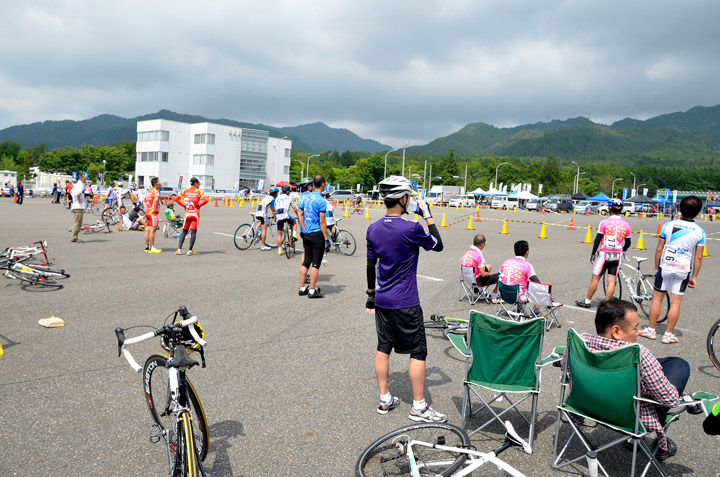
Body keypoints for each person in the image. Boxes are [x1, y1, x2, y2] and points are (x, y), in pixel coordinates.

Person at [365, 175, 446, 422]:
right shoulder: (412, 228)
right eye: (408, 197)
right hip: (406, 301)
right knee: (418, 351)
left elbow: (370, 267)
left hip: (382, 300)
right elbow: (437, 244)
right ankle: (418, 406)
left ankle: (384, 398)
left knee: (383, 347)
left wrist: (371, 296)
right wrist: (427, 215)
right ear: (402, 199)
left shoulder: (373, 228)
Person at [570, 298, 688, 460]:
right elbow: (671, 400)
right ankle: (647, 443)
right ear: (616, 331)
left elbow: (568, 374)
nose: (638, 332)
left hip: (588, 406)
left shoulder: (579, 342)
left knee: (664, 362)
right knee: (680, 365)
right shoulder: (641, 354)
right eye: (635, 328)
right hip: (631, 419)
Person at [639, 195, 705, 344]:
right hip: (683, 269)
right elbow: (698, 257)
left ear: (680, 208)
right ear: (698, 211)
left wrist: (656, 267)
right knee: (676, 303)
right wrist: (694, 276)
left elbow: (658, 249)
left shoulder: (668, 226)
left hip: (665, 266)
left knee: (657, 298)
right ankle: (668, 334)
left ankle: (651, 330)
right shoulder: (700, 231)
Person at [575, 198, 632, 308]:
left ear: (610, 209)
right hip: (617, 255)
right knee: (612, 280)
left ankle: (587, 301)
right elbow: (628, 242)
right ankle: (607, 304)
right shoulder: (626, 225)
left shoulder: (604, 222)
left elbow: (597, 239)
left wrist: (592, 254)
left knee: (595, 279)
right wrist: (624, 249)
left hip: (604, 254)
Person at [298, 176, 329, 298]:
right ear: (322, 184)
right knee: (316, 263)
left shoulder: (306, 197)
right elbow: (322, 222)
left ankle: (302, 288)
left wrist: (304, 227)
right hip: (317, 234)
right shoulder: (321, 200)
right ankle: (312, 290)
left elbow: (300, 213)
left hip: (307, 233)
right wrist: (326, 238)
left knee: (306, 261)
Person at [174, 177, 209, 255]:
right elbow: (206, 200)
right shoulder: (199, 192)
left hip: (188, 213)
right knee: (193, 232)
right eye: (199, 183)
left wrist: (183, 205)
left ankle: (179, 249)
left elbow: (176, 199)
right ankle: (190, 250)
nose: (199, 185)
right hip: (195, 214)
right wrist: (199, 205)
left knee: (184, 231)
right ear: (196, 183)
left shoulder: (184, 191)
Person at [460, 234, 500, 302]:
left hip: (467, 279)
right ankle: (494, 295)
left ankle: (479, 291)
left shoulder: (468, 253)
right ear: (482, 244)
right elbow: (483, 274)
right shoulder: (478, 255)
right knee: (500, 276)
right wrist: (491, 274)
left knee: (488, 266)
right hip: (476, 281)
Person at [499, 240, 541, 304]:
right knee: (536, 287)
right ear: (527, 252)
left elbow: (499, 277)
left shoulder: (506, 262)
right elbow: (536, 282)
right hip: (519, 297)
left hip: (504, 295)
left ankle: (519, 309)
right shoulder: (527, 265)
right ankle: (536, 311)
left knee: (517, 281)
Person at [275, 185, 299, 255]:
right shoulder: (289, 198)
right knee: (294, 222)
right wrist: (298, 215)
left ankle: (279, 250)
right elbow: (294, 209)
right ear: (287, 192)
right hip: (286, 215)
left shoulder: (277, 198)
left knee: (279, 234)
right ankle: (294, 234)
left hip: (278, 216)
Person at [144, 177, 162, 253]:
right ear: (155, 184)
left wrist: (146, 209)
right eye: (159, 182)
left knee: (148, 230)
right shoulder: (155, 191)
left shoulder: (149, 191)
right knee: (153, 230)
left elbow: (144, 201)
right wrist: (154, 209)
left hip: (148, 212)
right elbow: (156, 200)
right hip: (153, 213)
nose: (160, 184)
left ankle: (147, 247)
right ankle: (152, 247)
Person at [70, 173, 87, 242]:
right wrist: (79, 200)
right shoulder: (81, 185)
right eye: (85, 177)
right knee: (78, 223)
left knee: (76, 222)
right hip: (79, 207)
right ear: (81, 178)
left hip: (75, 206)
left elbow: (71, 192)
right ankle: (74, 237)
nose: (86, 178)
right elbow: (78, 193)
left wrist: (75, 200)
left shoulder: (76, 184)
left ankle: (74, 237)